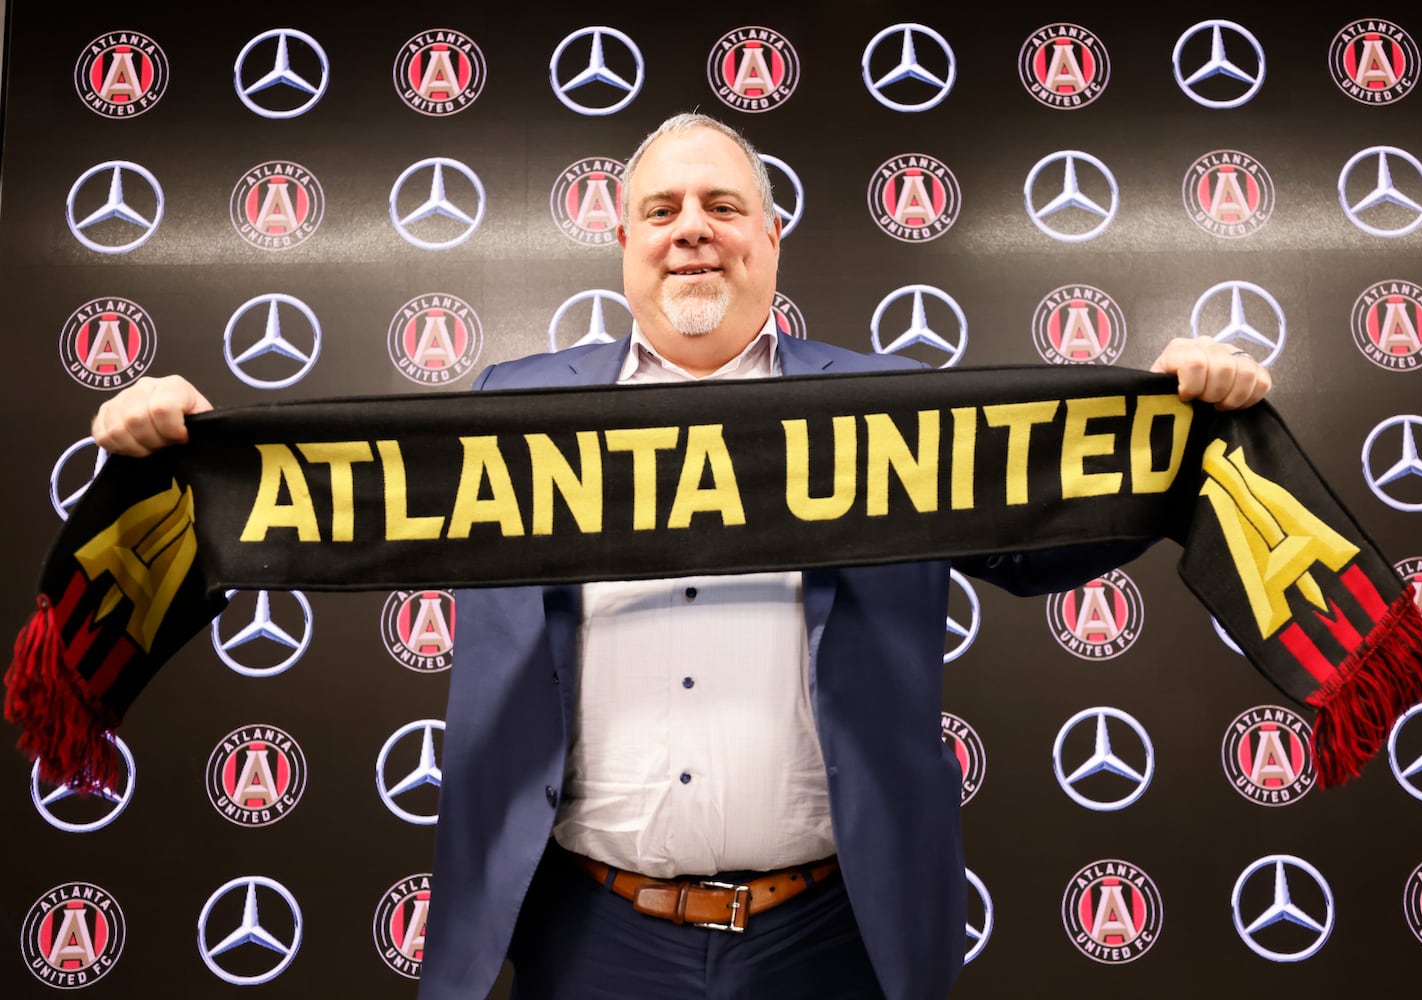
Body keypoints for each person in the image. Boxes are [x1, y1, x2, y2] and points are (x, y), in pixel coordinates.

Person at [92, 113, 1271, 999]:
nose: (692, 229)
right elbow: (327, 513)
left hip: (836, 931)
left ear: (770, 236)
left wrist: (1176, 428)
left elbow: (1043, 549)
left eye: (721, 205)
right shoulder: (513, 409)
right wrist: (183, 451)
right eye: (661, 211)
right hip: (590, 931)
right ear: (623, 245)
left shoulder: (893, 407)